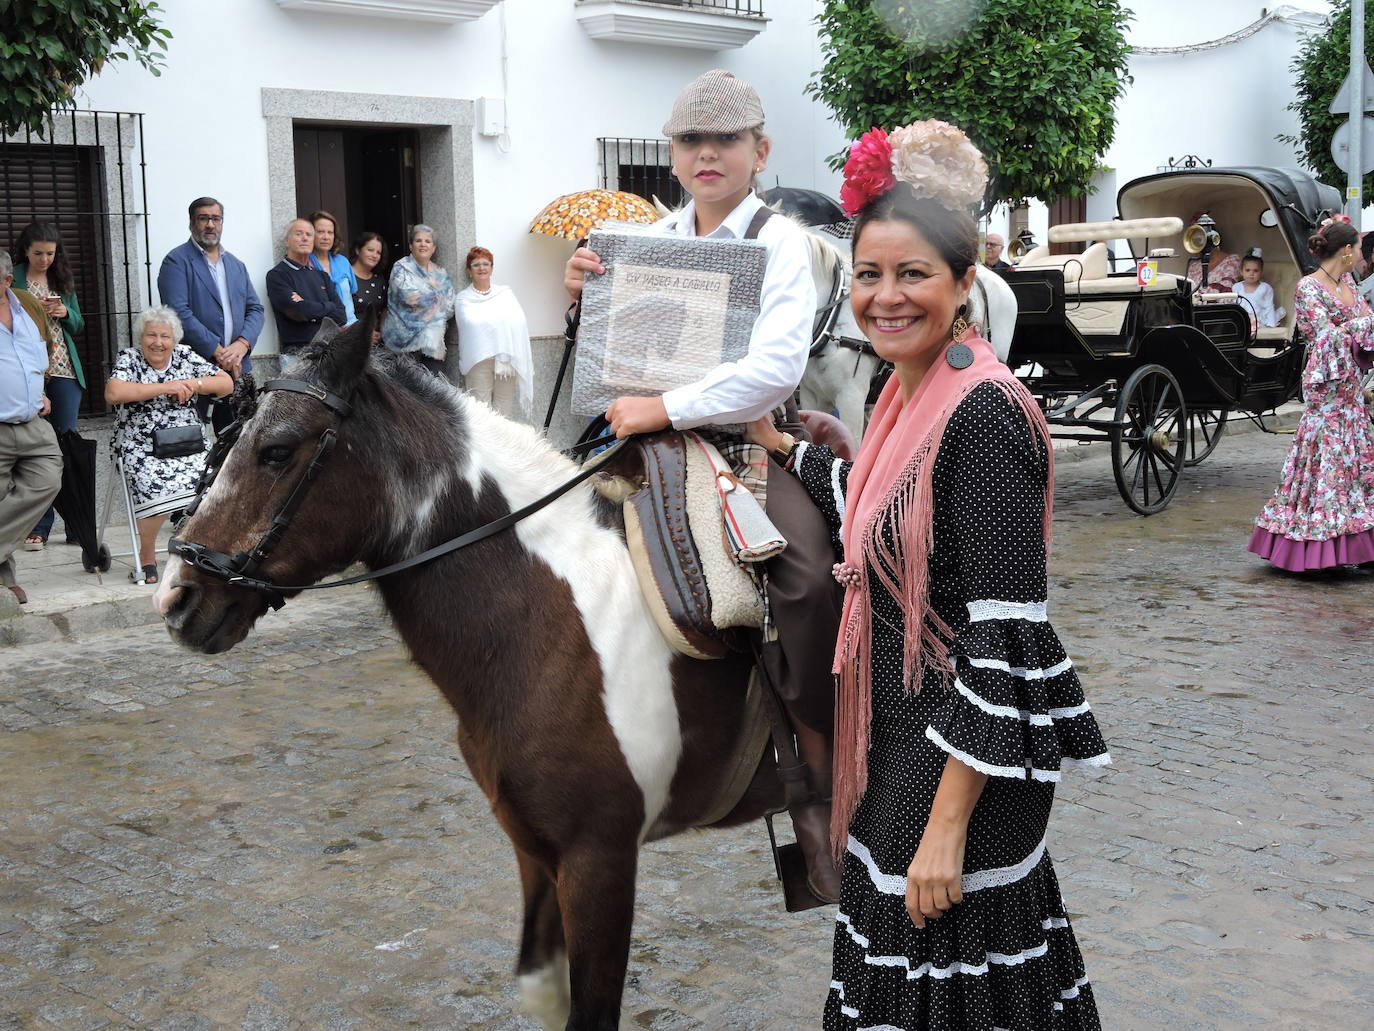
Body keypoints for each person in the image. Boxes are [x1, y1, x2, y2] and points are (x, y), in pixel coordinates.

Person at [749, 121, 1110, 1029]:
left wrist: (947, 822)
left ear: (963, 286)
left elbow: (1002, 641)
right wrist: (784, 447)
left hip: (960, 762)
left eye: (914, 275)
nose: (886, 296)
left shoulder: (983, 412)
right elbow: (875, 510)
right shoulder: (902, 389)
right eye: (870, 274)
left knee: (943, 985)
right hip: (906, 735)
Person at [564, 69, 842, 902]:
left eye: (725, 139)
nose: (707, 153)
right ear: (674, 156)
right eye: (690, 140)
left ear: (760, 151)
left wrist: (665, 405)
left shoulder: (783, 242)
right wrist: (583, 297)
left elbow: (773, 371)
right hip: (643, 432)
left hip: (747, 440)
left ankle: (826, 788)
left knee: (807, 578)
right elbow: (615, 358)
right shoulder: (644, 236)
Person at [1249, 215, 1374, 572]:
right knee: (1329, 463)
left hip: (1350, 387)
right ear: (1347, 250)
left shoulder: (1348, 280)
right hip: (1326, 388)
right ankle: (1320, 545)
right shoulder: (1308, 287)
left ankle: (1360, 542)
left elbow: (1359, 326)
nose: (1362, 256)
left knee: (1357, 463)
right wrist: (1365, 325)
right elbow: (1322, 336)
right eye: (1360, 249)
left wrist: (1363, 327)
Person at [106, 306, 232, 584]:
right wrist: (167, 387)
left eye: (165, 336)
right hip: (141, 445)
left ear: (174, 340)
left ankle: (199, 548)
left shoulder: (185, 355)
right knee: (156, 488)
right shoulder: (130, 358)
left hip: (188, 442)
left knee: (213, 487)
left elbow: (226, 384)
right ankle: (148, 554)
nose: (158, 342)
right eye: (152, 335)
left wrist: (192, 383)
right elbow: (114, 392)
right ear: (141, 337)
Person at [157, 196, 265, 433]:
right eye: (203, 218)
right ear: (191, 223)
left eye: (216, 219)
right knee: (193, 441)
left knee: (238, 441)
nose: (210, 225)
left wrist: (242, 345)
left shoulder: (236, 265)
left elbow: (255, 309)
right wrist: (218, 351)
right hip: (195, 368)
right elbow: (178, 313)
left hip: (238, 368)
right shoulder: (176, 261)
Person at [12, 223, 85, 551]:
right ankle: (38, 526)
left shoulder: (61, 278)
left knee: (66, 446)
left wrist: (65, 311)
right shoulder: (11, 277)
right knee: (35, 452)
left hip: (64, 370)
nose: (44, 259)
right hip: (27, 374)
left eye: (50, 253)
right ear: (25, 250)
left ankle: (76, 522)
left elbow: (79, 324)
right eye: (38, 253)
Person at [0, 248, 62, 607]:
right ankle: (5, 581)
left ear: (7, 281)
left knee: (48, 480)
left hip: (32, 421)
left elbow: (44, 349)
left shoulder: (27, 306)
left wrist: (41, 387)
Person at [454, 246, 533, 418]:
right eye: (476, 265)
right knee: (480, 412)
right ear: (469, 270)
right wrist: (497, 324)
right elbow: (470, 325)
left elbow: (518, 321)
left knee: (504, 412)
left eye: (485, 264)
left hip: (506, 361)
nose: (481, 268)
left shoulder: (505, 294)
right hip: (478, 361)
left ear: (492, 268)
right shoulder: (463, 298)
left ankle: (503, 445)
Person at [382, 223, 454, 378]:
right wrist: (436, 297)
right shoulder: (401, 267)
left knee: (434, 391)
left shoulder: (441, 273)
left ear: (433, 248)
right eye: (418, 240)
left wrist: (427, 299)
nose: (423, 244)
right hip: (404, 342)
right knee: (407, 391)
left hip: (433, 344)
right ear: (410, 245)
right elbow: (409, 298)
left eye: (428, 241)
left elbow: (449, 308)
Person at [266, 219, 346, 356]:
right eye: (299, 234)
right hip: (298, 355)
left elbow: (341, 315)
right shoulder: (277, 275)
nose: (304, 238)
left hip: (328, 353)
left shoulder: (322, 276)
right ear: (287, 240)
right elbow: (298, 311)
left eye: (309, 235)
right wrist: (329, 306)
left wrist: (309, 309)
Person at [307, 209, 357, 327]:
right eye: (320, 232)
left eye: (330, 232)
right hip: (322, 333)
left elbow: (352, 292)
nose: (326, 237)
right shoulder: (305, 264)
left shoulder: (343, 261)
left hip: (351, 328)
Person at [1184, 213, 1241, 295]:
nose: (1199, 240)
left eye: (1201, 236)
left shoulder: (1232, 261)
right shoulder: (1193, 267)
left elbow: (1228, 293)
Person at [1233, 249, 1284, 328]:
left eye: (1256, 271)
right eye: (1247, 270)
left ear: (1261, 272)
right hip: (1242, 320)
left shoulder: (1265, 288)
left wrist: (1271, 325)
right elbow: (1234, 306)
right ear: (1241, 271)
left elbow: (1269, 307)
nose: (1251, 274)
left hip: (1259, 320)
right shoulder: (1236, 287)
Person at [350, 231, 389, 322]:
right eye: (370, 250)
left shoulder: (379, 279)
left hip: (376, 333)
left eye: (378, 252)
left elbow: (385, 309)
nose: (374, 255)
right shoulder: (345, 275)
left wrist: (380, 329)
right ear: (357, 250)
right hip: (350, 334)